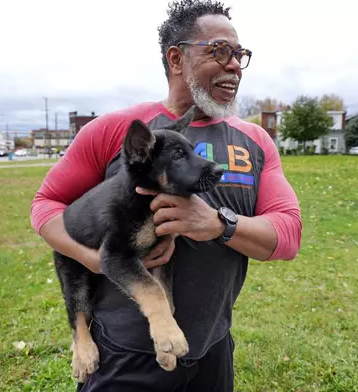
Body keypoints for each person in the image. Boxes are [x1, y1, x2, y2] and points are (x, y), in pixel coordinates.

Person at [30, 0, 302, 390]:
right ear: (177, 58)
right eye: (220, 51)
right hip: (123, 357)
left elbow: (288, 235)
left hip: (213, 346)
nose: (235, 65)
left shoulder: (255, 141)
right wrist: (95, 259)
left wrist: (218, 224)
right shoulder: (113, 130)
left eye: (240, 54)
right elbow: (45, 206)